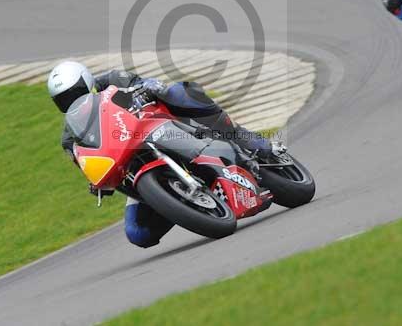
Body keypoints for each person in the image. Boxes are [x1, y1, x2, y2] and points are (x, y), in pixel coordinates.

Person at [47, 60, 282, 248]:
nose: (72, 100)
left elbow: (144, 83)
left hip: (159, 129)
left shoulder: (111, 81)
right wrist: (97, 182)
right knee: (137, 233)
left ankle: (243, 138)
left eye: (75, 92)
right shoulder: (70, 136)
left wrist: (151, 87)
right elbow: (88, 162)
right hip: (132, 165)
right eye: (64, 99)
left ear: (87, 82)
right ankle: (182, 204)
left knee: (179, 92)